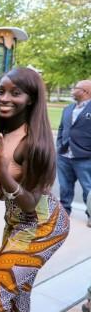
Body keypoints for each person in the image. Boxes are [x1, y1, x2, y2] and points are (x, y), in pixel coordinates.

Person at [0, 67, 70, 312]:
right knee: (15, 295)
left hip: (43, 225)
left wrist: (3, 171)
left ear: (31, 99)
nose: (5, 98)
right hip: (16, 224)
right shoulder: (2, 133)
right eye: (2, 91)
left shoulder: (35, 143)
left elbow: (30, 203)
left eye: (15, 93)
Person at [56, 80, 91, 227]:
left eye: (75, 88)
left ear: (85, 92)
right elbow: (61, 129)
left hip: (85, 157)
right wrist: (59, 145)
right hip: (64, 155)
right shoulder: (68, 108)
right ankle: (64, 213)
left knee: (88, 188)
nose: (72, 90)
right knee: (64, 187)